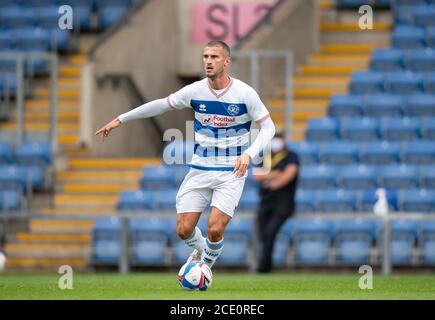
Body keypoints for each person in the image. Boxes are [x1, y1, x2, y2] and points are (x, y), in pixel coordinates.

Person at [96, 40, 276, 270]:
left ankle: (205, 268)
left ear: (227, 61)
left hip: (231, 171)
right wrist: (121, 118)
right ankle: (201, 254)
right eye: (205, 57)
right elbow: (162, 105)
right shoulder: (195, 90)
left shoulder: (244, 93)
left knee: (214, 228)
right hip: (200, 169)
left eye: (214, 57)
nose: (208, 62)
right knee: (183, 230)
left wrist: (249, 154)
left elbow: (269, 127)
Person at [252, 132, 299, 273]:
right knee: (263, 234)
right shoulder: (265, 155)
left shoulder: (291, 156)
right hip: (266, 202)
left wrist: (271, 182)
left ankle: (264, 268)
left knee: (270, 232)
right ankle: (264, 264)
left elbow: (289, 174)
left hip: (283, 203)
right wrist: (275, 174)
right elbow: (256, 174)